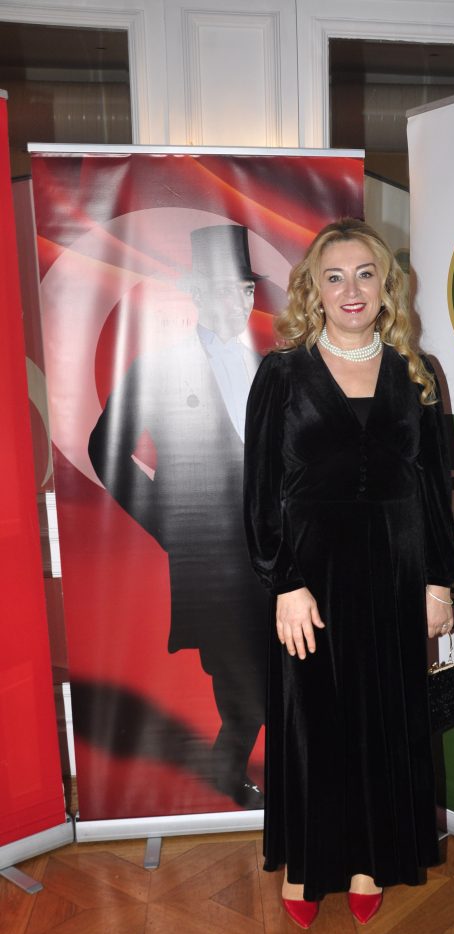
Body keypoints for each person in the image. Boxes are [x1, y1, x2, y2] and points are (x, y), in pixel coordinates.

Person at [243, 218, 454, 927]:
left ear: (386, 284)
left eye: (365, 273)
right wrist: (283, 582)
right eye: (333, 277)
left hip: (397, 570)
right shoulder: (282, 373)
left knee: (383, 721)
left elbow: (434, 486)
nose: (351, 289)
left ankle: (369, 859)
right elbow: (260, 490)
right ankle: (307, 866)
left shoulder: (417, 372)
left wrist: (438, 580)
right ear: (314, 289)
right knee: (312, 721)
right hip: (311, 574)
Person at [89, 224, 269, 809]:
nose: (238, 301)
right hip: (213, 562)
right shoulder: (160, 367)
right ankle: (227, 770)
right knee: (242, 677)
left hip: (281, 557)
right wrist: (172, 523)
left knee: (282, 668)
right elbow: (105, 448)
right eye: (223, 288)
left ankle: (234, 768)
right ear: (196, 292)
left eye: (245, 289)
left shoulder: (274, 368)